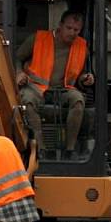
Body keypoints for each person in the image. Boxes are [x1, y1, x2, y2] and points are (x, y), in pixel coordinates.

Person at [15, 9, 94, 160]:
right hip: (35, 86)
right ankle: (41, 149)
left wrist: (85, 79)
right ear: (60, 25)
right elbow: (17, 57)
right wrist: (19, 73)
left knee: (78, 101)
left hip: (64, 89)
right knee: (28, 102)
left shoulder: (82, 47)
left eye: (76, 30)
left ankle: (69, 151)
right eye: (69, 28)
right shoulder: (38, 39)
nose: (72, 33)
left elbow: (79, 74)